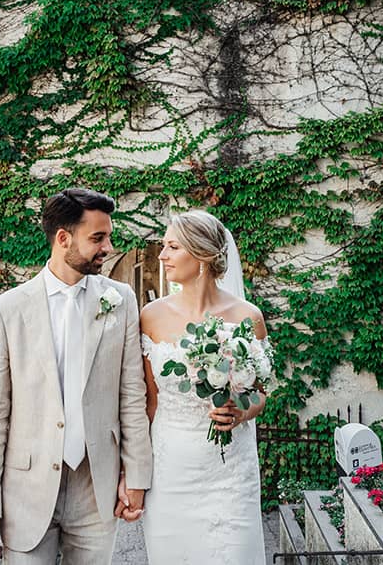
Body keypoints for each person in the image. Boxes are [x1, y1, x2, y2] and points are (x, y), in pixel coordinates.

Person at [0, 188, 152, 564]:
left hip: (95, 486)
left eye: (109, 236)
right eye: (98, 238)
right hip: (26, 487)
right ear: (63, 238)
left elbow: (132, 395)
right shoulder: (8, 309)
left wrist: (136, 475)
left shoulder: (121, 299)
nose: (108, 247)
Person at [139, 210, 269, 564]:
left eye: (172, 247)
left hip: (230, 476)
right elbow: (149, 402)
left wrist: (243, 411)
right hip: (171, 472)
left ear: (201, 257)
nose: (162, 255)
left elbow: (260, 391)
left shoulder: (248, 316)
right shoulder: (151, 316)